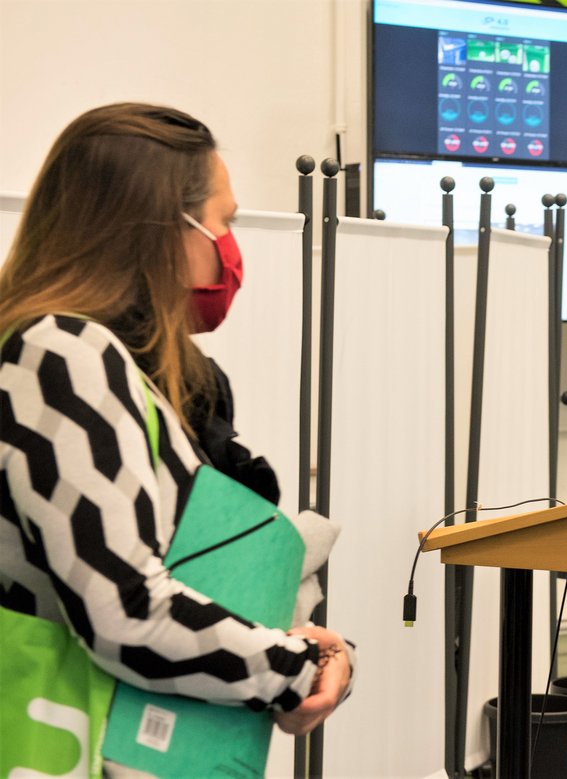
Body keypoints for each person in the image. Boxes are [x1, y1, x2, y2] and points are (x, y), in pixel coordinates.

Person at [0, 104, 353, 762]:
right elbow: (128, 611)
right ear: (162, 227)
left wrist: (301, 652)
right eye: (223, 221)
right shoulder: (60, 353)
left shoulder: (123, 371)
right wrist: (294, 668)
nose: (230, 247)